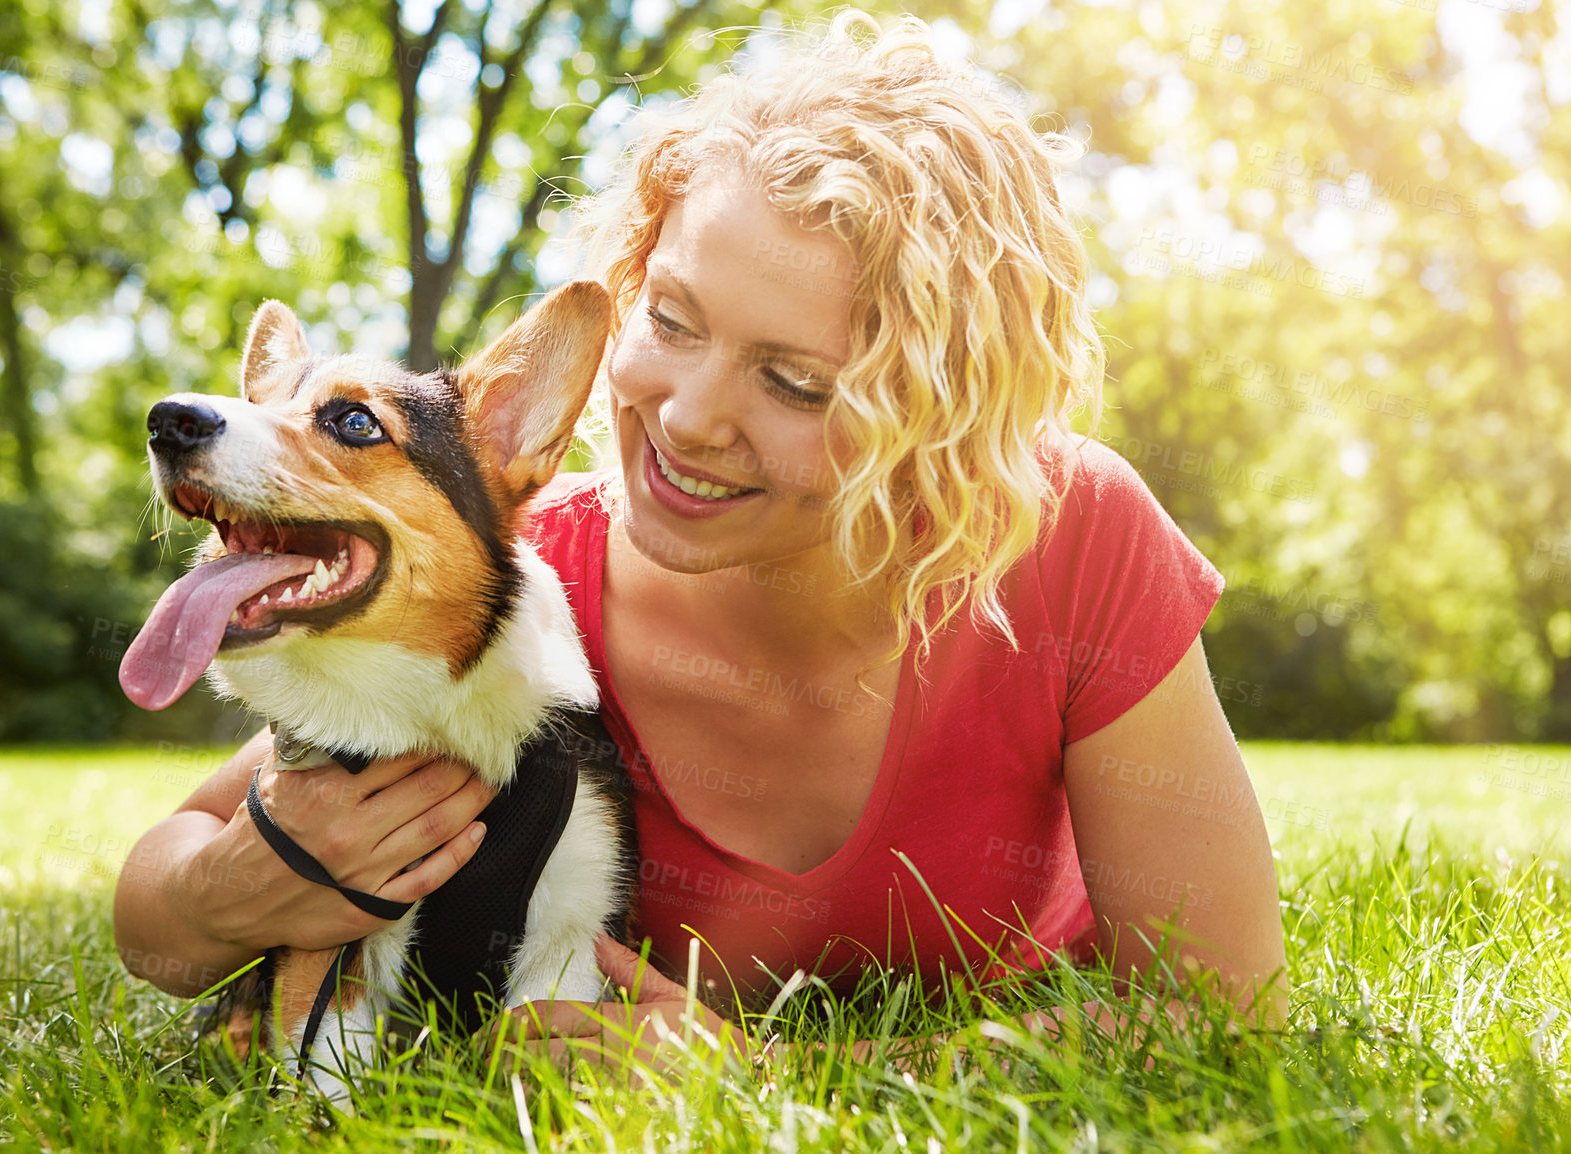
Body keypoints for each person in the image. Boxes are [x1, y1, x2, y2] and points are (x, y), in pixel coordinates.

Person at [113, 11, 1287, 1072]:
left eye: (794, 381)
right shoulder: (511, 590)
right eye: (670, 320)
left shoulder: (1072, 536)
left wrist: (787, 1080)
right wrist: (231, 890)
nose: (685, 418)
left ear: (936, 418)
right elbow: (160, 914)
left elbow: (1220, 1003)